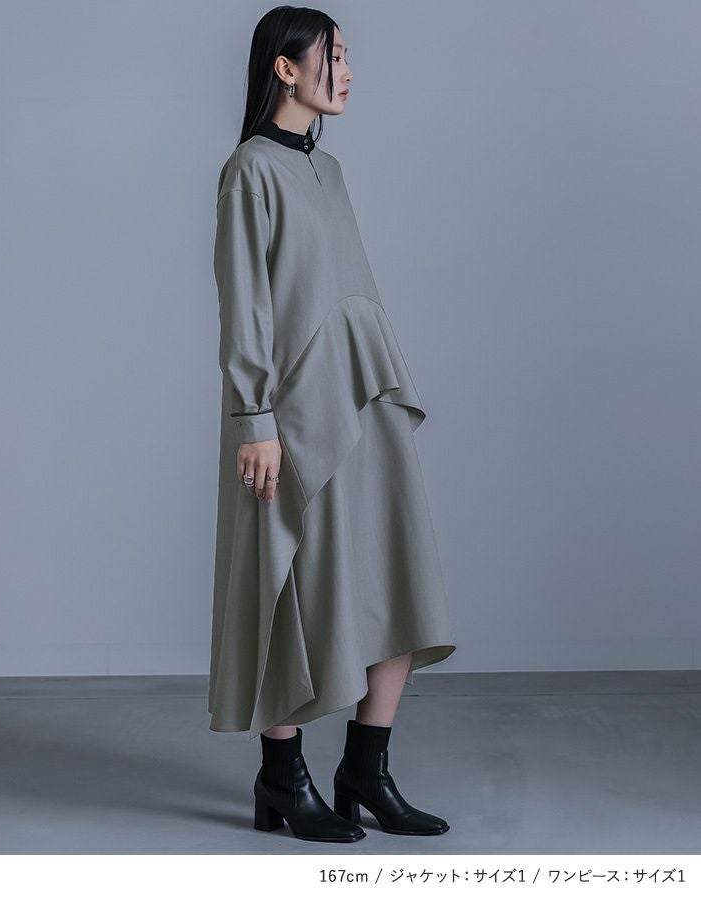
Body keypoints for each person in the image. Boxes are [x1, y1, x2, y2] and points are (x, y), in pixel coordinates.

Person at [208, 6, 457, 843]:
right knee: (288, 584)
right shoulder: (250, 170)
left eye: (347, 57)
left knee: (397, 570)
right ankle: (282, 778)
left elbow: (348, 290)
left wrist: (382, 384)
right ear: (286, 68)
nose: (347, 72)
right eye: (334, 56)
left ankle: (366, 769)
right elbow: (246, 303)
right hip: (289, 415)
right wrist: (255, 418)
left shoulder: (330, 168)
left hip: (365, 398)